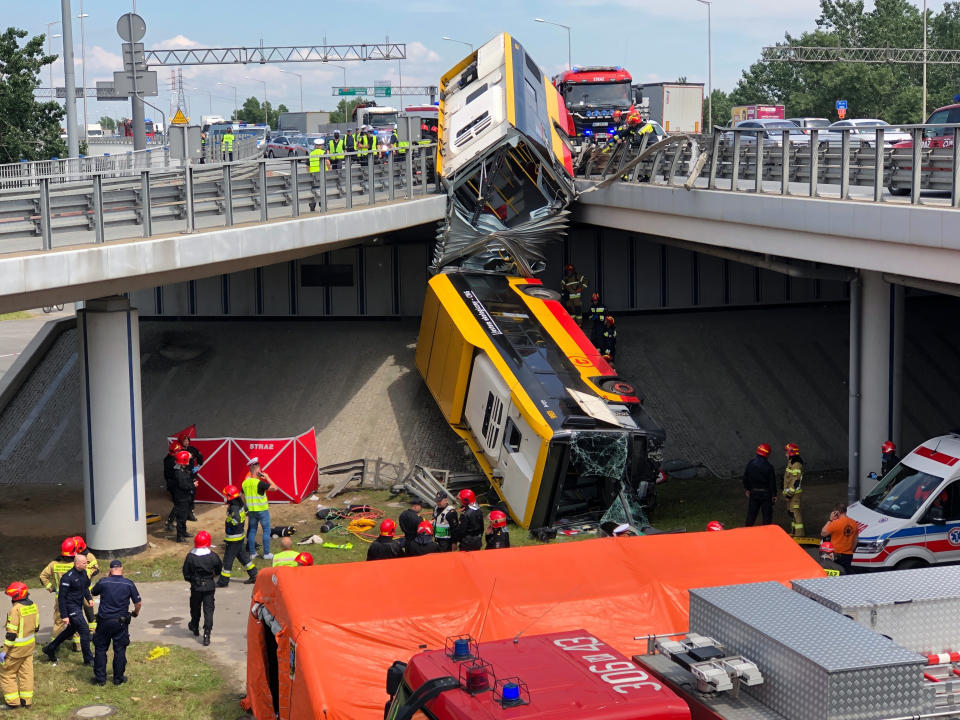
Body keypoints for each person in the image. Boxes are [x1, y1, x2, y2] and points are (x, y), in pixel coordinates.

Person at [91, 560, 141, 686]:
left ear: (110, 570)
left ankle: (100, 679)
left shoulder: (104, 582)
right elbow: (138, 603)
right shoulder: (128, 584)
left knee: (101, 649)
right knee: (119, 650)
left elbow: (93, 592)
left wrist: (107, 578)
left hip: (104, 621)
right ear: (121, 569)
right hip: (120, 623)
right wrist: (135, 612)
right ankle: (118, 679)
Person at [42, 554, 93, 665]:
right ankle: (88, 659)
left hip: (78, 606)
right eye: (84, 563)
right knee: (84, 631)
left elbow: (85, 588)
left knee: (70, 630)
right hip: (71, 607)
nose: (86, 564)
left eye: (86, 562)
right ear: (77, 563)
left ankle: (50, 648)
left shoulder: (83, 573)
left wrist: (89, 599)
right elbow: (61, 597)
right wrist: (64, 615)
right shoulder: (67, 577)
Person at [1, 582, 39, 710]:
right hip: (29, 647)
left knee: (7, 674)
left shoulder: (15, 609)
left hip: (15, 649)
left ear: (16, 596)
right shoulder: (33, 606)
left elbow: (11, 635)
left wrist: (4, 651)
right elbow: (37, 627)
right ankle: (26, 701)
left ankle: (13, 703)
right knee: (26, 673)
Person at [182, 531, 222, 647]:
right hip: (209, 586)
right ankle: (207, 634)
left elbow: (186, 573)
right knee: (208, 610)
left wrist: (192, 580)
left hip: (196, 587)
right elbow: (219, 568)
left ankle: (194, 626)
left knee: (195, 607)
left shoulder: (191, 556)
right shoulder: (213, 556)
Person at [38, 538, 78, 650]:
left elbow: (42, 576)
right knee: (76, 620)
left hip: (60, 598)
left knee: (58, 622)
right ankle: (78, 645)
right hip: (74, 598)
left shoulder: (54, 564)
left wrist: (51, 588)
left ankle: (54, 646)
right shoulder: (76, 564)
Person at [216, 485, 257, 587]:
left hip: (233, 538)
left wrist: (230, 522)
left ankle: (223, 581)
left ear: (229, 496)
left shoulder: (234, 507)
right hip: (239, 536)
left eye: (226, 495)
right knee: (243, 557)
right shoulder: (240, 503)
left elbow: (237, 520)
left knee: (227, 560)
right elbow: (246, 511)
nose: (225, 497)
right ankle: (254, 575)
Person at [243, 457, 280, 560]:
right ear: (258, 470)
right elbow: (275, 488)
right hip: (262, 510)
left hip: (251, 511)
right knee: (266, 531)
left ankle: (252, 553)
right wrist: (267, 477)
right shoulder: (259, 483)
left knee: (252, 531)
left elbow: (242, 496)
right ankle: (267, 553)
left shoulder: (244, 483)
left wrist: (247, 507)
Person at [743, 443, 777, 526]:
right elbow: (772, 482)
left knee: (751, 515)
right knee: (767, 517)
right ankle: (766, 534)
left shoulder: (751, 463)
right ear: (767, 454)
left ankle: (746, 532)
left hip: (754, 493)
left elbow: (745, 477)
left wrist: (747, 489)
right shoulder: (769, 466)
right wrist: (774, 494)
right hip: (766, 494)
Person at [821, 504, 859, 575]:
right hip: (848, 555)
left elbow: (823, 533)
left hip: (836, 554)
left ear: (837, 513)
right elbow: (855, 540)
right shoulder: (854, 523)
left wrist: (830, 520)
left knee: (835, 574)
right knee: (846, 574)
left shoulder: (836, 523)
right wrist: (850, 550)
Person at [172, 450, 198, 543]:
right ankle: (179, 536)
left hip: (185, 497)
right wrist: (193, 485)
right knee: (181, 518)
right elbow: (184, 485)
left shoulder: (182, 470)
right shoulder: (179, 473)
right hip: (181, 498)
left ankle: (184, 532)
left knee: (185, 515)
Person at [178, 433, 204, 522]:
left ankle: (190, 512)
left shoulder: (193, 449)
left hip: (192, 475)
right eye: (184, 441)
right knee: (184, 496)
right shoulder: (179, 451)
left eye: (187, 441)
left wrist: (198, 466)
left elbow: (200, 457)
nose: (186, 442)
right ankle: (181, 514)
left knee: (192, 494)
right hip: (183, 476)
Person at [783, 443, 805, 537]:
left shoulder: (796, 465)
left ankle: (799, 534)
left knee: (795, 513)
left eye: (786, 453)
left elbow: (795, 481)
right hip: (791, 494)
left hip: (794, 494)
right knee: (791, 513)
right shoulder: (791, 462)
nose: (785, 455)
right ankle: (794, 532)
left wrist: (789, 494)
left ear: (791, 453)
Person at [164, 440, 182, 530]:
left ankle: (172, 520)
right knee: (178, 504)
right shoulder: (172, 461)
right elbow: (175, 474)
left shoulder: (168, 459)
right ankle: (170, 522)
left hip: (172, 484)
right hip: (174, 485)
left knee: (178, 504)